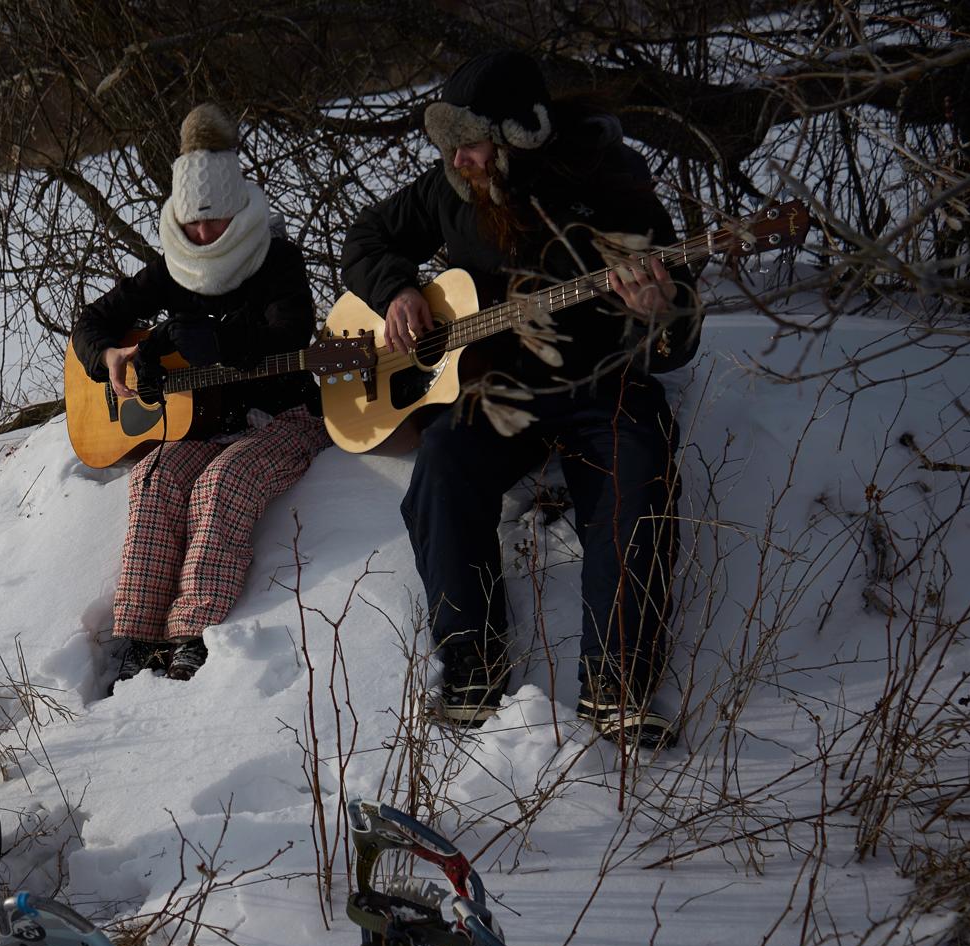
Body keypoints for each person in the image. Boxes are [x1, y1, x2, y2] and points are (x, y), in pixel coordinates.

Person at [340, 50, 702, 748]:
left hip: (601, 383)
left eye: (471, 144)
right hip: (499, 386)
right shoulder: (452, 182)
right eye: (449, 147)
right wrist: (398, 289)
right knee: (442, 463)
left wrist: (660, 308)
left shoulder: (607, 176)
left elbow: (680, 329)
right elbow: (369, 236)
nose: (460, 161)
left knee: (637, 473)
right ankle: (473, 666)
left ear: (518, 135)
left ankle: (618, 682)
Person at [73, 102, 331, 686]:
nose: (204, 235)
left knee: (222, 483)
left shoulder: (277, 258)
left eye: (213, 222)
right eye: (192, 225)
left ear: (238, 208)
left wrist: (220, 339)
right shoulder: (174, 268)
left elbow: (290, 330)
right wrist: (110, 356)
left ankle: (191, 632)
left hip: (285, 416)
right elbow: (92, 321)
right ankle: (138, 637)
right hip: (206, 423)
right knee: (155, 478)